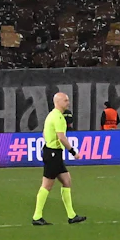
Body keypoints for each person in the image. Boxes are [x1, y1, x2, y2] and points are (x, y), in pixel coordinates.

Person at [32, 91, 85, 225]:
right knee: (46, 185)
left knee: (66, 180)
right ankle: (37, 217)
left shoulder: (51, 115)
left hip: (52, 153)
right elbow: (62, 137)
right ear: (58, 102)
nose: (68, 102)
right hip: (53, 154)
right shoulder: (59, 118)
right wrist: (73, 152)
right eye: (66, 100)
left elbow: (44, 133)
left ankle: (71, 215)